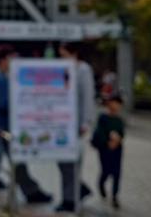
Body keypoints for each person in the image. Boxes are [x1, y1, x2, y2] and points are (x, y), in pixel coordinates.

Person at [0, 45, 52, 203]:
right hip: (4, 128)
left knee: (17, 160)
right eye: (11, 58)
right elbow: (4, 104)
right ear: (3, 60)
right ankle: (31, 191)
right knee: (18, 160)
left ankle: (31, 190)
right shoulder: (0, 79)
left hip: (2, 127)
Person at [56, 42, 96, 213]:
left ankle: (70, 198)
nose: (62, 58)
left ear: (74, 54)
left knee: (71, 162)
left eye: (64, 55)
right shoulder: (63, 70)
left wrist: (86, 122)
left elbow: (88, 96)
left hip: (76, 124)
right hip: (63, 123)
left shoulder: (83, 70)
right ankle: (77, 190)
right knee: (63, 161)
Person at [91, 94, 125, 209]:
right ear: (109, 104)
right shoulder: (103, 117)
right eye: (114, 103)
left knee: (117, 173)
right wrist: (107, 142)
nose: (116, 106)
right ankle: (101, 184)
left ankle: (115, 196)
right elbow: (100, 132)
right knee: (106, 170)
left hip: (117, 149)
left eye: (118, 104)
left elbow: (122, 133)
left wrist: (118, 140)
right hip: (104, 149)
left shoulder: (120, 120)